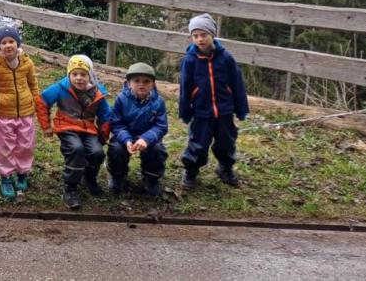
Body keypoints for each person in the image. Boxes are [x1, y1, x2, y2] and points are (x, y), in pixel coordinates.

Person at [179, 13, 249, 189]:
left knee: (226, 142)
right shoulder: (190, 60)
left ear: (212, 35)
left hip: (225, 111)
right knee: (198, 144)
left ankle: (225, 168)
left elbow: (237, 84)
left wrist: (241, 109)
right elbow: (185, 87)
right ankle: (191, 171)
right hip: (202, 111)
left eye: (204, 35)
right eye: (195, 36)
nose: (200, 39)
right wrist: (185, 111)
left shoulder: (226, 58)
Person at [37, 54, 113, 210]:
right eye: (74, 74)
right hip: (67, 126)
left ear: (90, 75)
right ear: (69, 75)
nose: (79, 78)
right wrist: (46, 126)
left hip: (88, 129)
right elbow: (42, 101)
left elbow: (106, 115)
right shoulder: (60, 88)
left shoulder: (97, 93)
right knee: (76, 149)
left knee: (97, 153)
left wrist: (103, 135)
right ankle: (70, 187)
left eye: (83, 74)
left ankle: (90, 178)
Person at [0, 26, 39, 202]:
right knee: (5, 146)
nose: (8, 45)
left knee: (26, 144)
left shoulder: (27, 63)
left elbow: (33, 83)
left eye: (11, 41)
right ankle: (6, 177)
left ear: (17, 44)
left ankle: (22, 173)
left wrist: (37, 100)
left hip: (25, 111)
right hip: (3, 113)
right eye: (3, 42)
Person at [107, 62, 168, 197]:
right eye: (137, 81)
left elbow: (161, 126)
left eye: (146, 81)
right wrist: (126, 139)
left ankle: (151, 179)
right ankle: (118, 176)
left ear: (153, 84)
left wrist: (146, 139)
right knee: (116, 149)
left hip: (148, 137)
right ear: (129, 83)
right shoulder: (121, 99)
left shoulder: (159, 102)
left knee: (157, 150)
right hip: (125, 134)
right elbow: (116, 123)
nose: (141, 84)